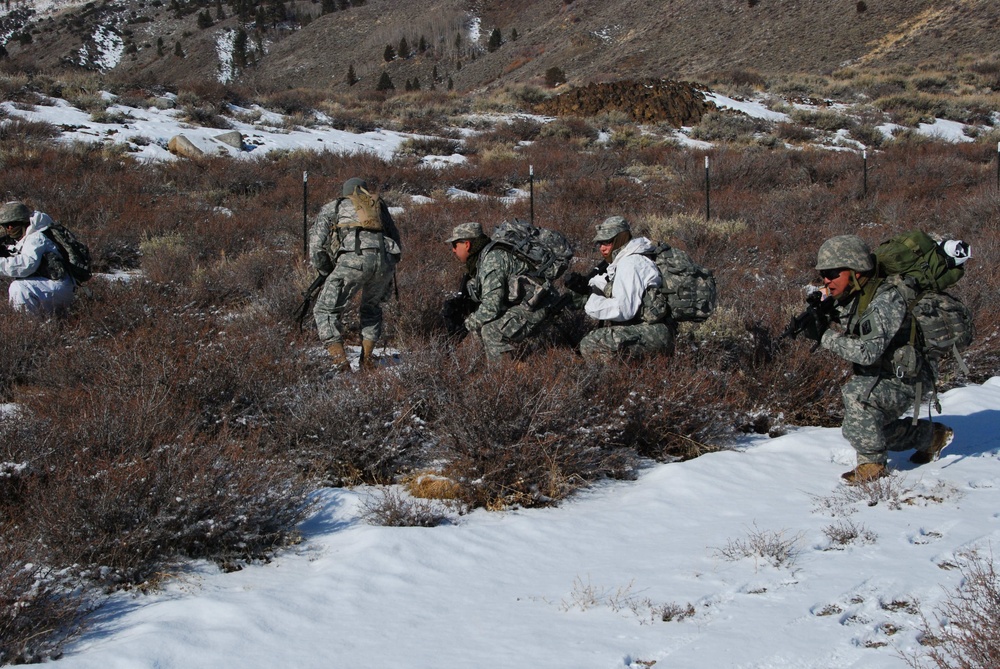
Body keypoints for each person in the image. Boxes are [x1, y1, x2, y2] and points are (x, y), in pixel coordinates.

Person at [803, 234, 954, 484]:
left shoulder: (886, 298)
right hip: (890, 370)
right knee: (863, 429)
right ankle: (931, 437)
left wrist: (823, 335)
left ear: (857, 271)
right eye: (823, 274)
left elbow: (866, 352)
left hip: (912, 376)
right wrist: (825, 313)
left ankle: (872, 465)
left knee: (857, 396)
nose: (826, 280)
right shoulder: (857, 293)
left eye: (832, 273)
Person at [309, 178, 401, 371]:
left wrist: (326, 270)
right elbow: (396, 239)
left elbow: (316, 247)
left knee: (325, 310)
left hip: (354, 259)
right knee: (372, 307)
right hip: (385, 260)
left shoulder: (334, 206)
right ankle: (366, 360)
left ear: (345, 192)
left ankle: (341, 364)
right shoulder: (378, 205)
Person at [445, 221, 561, 361]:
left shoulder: (492, 260)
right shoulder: (483, 258)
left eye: (455, 245)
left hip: (541, 304)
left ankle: (503, 377)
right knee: (480, 325)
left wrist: (464, 326)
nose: (453, 250)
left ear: (467, 245)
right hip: (529, 302)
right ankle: (495, 363)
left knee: (491, 331)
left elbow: (491, 307)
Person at [564, 216, 675, 360]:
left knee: (592, 343)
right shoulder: (627, 258)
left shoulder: (631, 263)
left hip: (655, 333)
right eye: (600, 243)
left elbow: (624, 310)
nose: (602, 248)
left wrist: (591, 302)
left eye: (608, 242)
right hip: (650, 328)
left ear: (620, 239)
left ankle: (619, 379)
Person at [0, 201, 76, 315]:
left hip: (58, 285)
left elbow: (26, 266)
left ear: (23, 222)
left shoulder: (36, 237)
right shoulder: (25, 237)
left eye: (13, 224)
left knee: (19, 288)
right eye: (6, 225)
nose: (9, 228)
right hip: (50, 285)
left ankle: (28, 327)